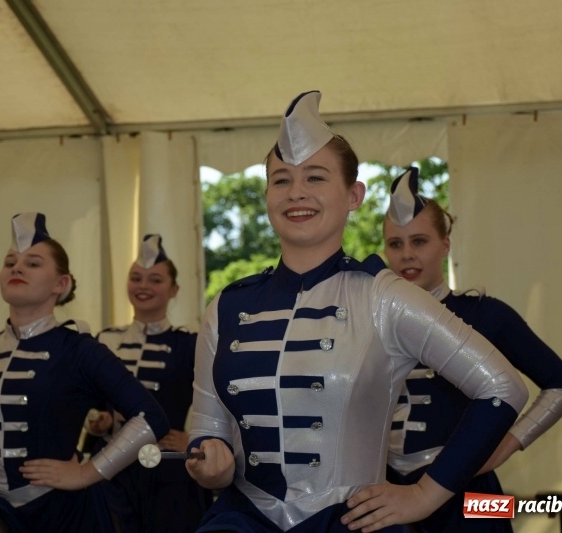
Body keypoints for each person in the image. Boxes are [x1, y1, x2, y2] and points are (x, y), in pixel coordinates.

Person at [184, 90, 530, 533]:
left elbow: (509, 387)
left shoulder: (385, 296)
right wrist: (209, 461)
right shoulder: (227, 305)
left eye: (316, 177)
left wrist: (425, 495)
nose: (297, 193)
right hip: (243, 519)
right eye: (282, 179)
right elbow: (207, 424)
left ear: (354, 195)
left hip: (355, 520)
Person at [0, 213, 170, 533]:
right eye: (10, 262)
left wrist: (87, 472)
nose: (17, 268)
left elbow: (151, 417)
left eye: (33, 263)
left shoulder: (79, 349)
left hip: (59, 507)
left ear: (61, 284)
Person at [382, 167, 562, 533]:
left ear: (445, 245)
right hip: (389, 490)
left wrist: (500, 450)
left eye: (419, 241)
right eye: (396, 244)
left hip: (477, 493)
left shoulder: (485, 314)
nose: (407, 254)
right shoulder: (372, 320)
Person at [83, 234, 212, 532]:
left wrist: (193, 438)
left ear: (174, 289)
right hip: (111, 468)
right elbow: (89, 406)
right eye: (136, 278)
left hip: (167, 470)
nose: (143, 286)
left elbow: (218, 401)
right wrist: (96, 421)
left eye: (155, 280)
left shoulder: (189, 344)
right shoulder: (104, 340)